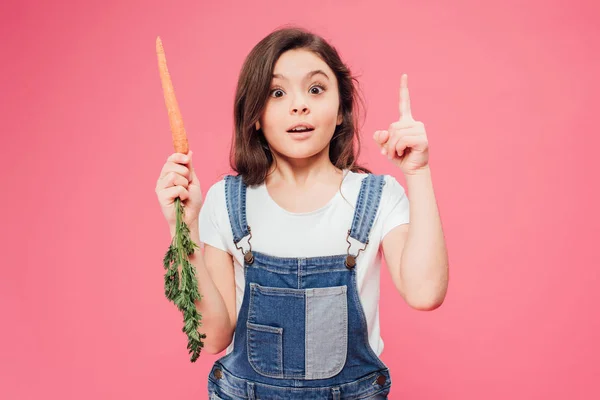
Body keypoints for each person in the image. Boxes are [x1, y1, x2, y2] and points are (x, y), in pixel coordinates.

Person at [155, 26, 448, 400]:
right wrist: (184, 228)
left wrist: (417, 173)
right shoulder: (225, 201)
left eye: (315, 89)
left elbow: (426, 293)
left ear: (341, 111)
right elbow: (212, 338)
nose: (299, 105)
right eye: (277, 93)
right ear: (256, 116)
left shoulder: (376, 198)